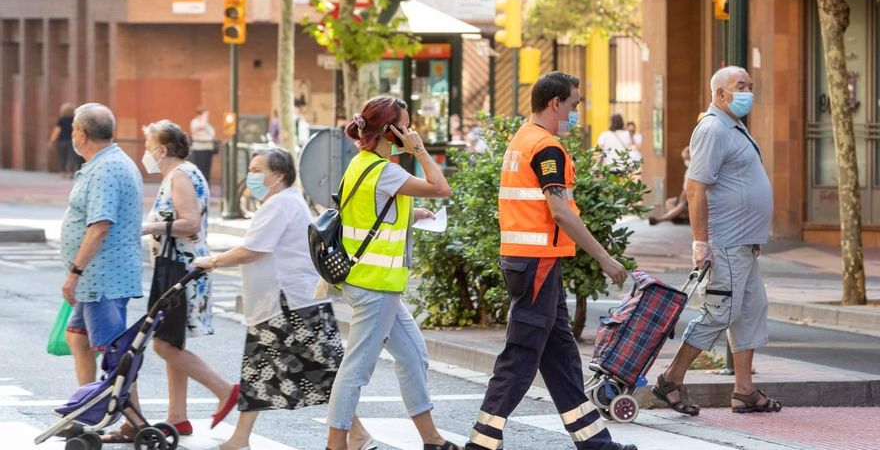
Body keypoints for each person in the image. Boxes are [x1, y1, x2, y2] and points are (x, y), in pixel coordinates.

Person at [465, 72, 635, 450]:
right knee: (522, 354)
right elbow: (560, 211)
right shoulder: (546, 147)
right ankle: (481, 441)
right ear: (555, 103)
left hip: (530, 262)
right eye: (574, 105)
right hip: (537, 262)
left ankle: (597, 445)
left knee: (560, 359)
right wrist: (605, 258)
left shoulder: (523, 139)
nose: (576, 113)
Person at [193, 147, 376, 450]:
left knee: (324, 372)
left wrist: (214, 261)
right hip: (282, 304)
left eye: (256, 170)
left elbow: (253, 249)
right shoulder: (285, 201)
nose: (250, 176)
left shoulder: (280, 204)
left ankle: (357, 434)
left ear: (277, 175)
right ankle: (240, 438)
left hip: (291, 305)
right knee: (259, 371)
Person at [325, 96, 455, 450]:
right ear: (390, 131)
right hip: (374, 287)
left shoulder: (362, 164)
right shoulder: (386, 171)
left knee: (413, 354)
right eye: (406, 126)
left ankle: (432, 439)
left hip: (373, 284)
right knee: (355, 370)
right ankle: (335, 444)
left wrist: (414, 215)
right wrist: (421, 151)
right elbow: (442, 188)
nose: (411, 132)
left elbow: (371, 215)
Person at [652, 66, 782, 416]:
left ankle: (744, 391)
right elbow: (695, 188)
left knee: (751, 313)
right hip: (725, 243)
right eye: (741, 86)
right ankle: (670, 379)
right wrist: (700, 243)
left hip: (744, 243)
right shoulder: (712, 128)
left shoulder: (734, 127)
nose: (748, 92)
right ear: (720, 94)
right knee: (719, 313)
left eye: (750, 86)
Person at [118, 120, 236, 441]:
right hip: (177, 266)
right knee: (173, 341)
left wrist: (148, 228)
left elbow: (189, 222)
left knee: (164, 345)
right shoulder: (181, 174)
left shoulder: (180, 176)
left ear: (162, 149)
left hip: (180, 269)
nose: (145, 153)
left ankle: (225, 391)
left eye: (148, 147)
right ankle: (178, 416)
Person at [61, 103, 143, 386]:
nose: (72, 135)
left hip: (102, 278)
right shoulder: (106, 162)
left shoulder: (107, 169)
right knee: (77, 338)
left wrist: (74, 273)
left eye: (73, 129)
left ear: (82, 134)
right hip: (95, 280)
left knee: (113, 353)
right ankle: (84, 406)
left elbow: (99, 228)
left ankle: (134, 423)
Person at [648, 147, 691, 225]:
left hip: (690, 196)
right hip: (684, 195)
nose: (686, 161)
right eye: (684, 159)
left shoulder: (695, 169)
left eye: (687, 158)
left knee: (681, 205)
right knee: (669, 202)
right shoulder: (688, 169)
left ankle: (660, 219)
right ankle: (681, 217)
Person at [48, 103, 84, 178]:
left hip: (61, 141)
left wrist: (52, 140)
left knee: (62, 156)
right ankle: (71, 172)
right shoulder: (75, 120)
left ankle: (63, 172)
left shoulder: (61, 120)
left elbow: (57, 131)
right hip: (72, 141)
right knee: (72, 157)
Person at [189, 106, 215, 182]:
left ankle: (207, 187)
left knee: (207, 171)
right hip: (200, 149)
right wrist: (204, 117)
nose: (207, 116)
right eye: (206, 114)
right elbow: (202, 126)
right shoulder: (195, 122)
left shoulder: (207, 124)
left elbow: (212, 135)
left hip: (208, 149)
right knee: (200, 170)